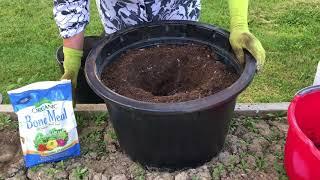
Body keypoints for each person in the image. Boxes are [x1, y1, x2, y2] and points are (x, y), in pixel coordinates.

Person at [54, 0, 265, 101]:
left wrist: (239, 25)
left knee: (184, 69)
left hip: (177, 12)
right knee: (123, 73)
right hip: (121, 17)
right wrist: (72, 64)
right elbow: (70, 4)